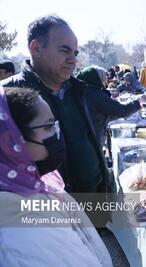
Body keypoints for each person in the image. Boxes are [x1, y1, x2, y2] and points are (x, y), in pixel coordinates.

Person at [0, 86, 112, 266]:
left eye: (55, 125)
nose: (57, 135)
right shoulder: (24, 234)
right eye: (48, 127)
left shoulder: (33, 186)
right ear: (9, 142)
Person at [0, 15, 111, 196]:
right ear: (36, 48)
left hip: (96, 198)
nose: (73, 59)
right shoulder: (7, 97)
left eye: (75, 53)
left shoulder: (77, 89)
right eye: (64, 51)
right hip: (46, 211)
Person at [76, 66, 146, 147]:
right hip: (93, 138)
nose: (106, 81)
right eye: (103, 78)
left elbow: (105, 114)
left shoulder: (86, 91)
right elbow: (122, 111)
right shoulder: (96, 95)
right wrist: (138, 102)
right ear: (96, 79)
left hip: (87, 137)